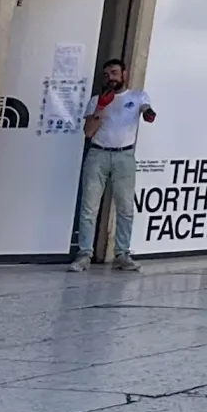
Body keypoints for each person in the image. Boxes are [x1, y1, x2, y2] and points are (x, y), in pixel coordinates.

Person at [68, 58, 156, 272]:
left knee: (125, 207)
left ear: (124, 74)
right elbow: (88, 132)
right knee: (89, 207)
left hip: (124, 156)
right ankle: (84, 255)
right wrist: (100, 108)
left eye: (115, 73)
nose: (111, 78)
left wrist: (148, 113)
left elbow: (146, 110)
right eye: (106, 75)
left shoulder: (137, 96)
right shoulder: (97, 100)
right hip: (98, 155)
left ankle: (122, 254)